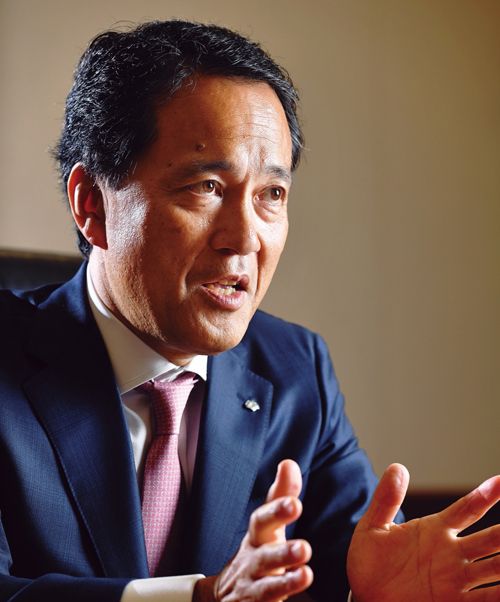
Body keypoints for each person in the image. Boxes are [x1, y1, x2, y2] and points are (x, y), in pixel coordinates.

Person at [0, 19, 498, 602]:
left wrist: (369, 598)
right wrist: (202, 598)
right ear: (92, 204)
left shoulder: (295, 369)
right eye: (206, 187)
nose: (243, 239)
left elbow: (353, 569)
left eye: (271, 195)